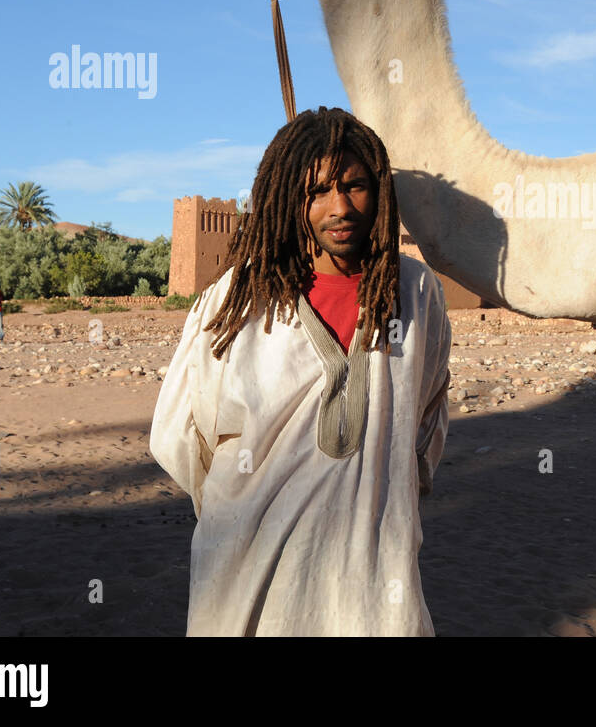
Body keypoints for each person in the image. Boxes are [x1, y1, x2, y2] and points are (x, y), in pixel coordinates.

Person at [150, 106, 451, 636]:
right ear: (290, 197)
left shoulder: (416, 294)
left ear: (378, 192)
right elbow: (181, 437)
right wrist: (241, 509)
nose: (340, 207)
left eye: (355, 186)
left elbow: (427, 417)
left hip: (375, 576)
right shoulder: (236, 303)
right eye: (317, 192)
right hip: (247, 574)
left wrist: (381, 490)